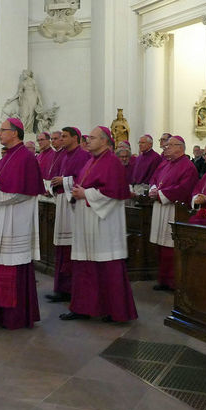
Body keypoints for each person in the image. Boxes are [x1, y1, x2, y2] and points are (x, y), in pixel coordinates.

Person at [61, 126, 138, 323]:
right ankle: (83, 307)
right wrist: (79, 192)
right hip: (87, 220)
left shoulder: (112, 162)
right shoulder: (91, 161)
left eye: (92, 138)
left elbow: (113, 193)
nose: (87, 141)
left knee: (106, 267)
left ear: (105, 141)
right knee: (85, 266)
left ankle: (115, 311)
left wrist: (85, 194)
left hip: (105, 223)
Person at [0, 117, 42, 329]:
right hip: (3, 218)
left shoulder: (25, 157)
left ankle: (12, 316)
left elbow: (20, 191)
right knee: (0, 266)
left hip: (15, 222)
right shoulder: (9, 156)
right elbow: (3, 184)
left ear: (15, 133)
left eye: (3, 130)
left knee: (10, 268)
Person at [44, 126, 91, 303]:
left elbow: (83, 179)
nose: (61, 139)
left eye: (64, 136)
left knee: (71, 247)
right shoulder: (63, 155)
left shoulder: (83, 155)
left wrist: (63, 180)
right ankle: (61, 287)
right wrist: (56, 184)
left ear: (75, 138)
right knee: (62, 248)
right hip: (63, 203)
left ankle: (71, 289)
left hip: (74, 206)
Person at [148, 135, 198, 290]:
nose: (166, 148)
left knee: (170, 247)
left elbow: (184, 188)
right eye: (166, 146)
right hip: (160, 207)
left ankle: (173, 282)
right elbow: (154, 180)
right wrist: (152, 190)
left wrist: (161, 194)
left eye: (169, 145)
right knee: (161, 246)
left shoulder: (188, 166)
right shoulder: (164, 164)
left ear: (180, 147)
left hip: (174, 210)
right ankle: (162, 279)